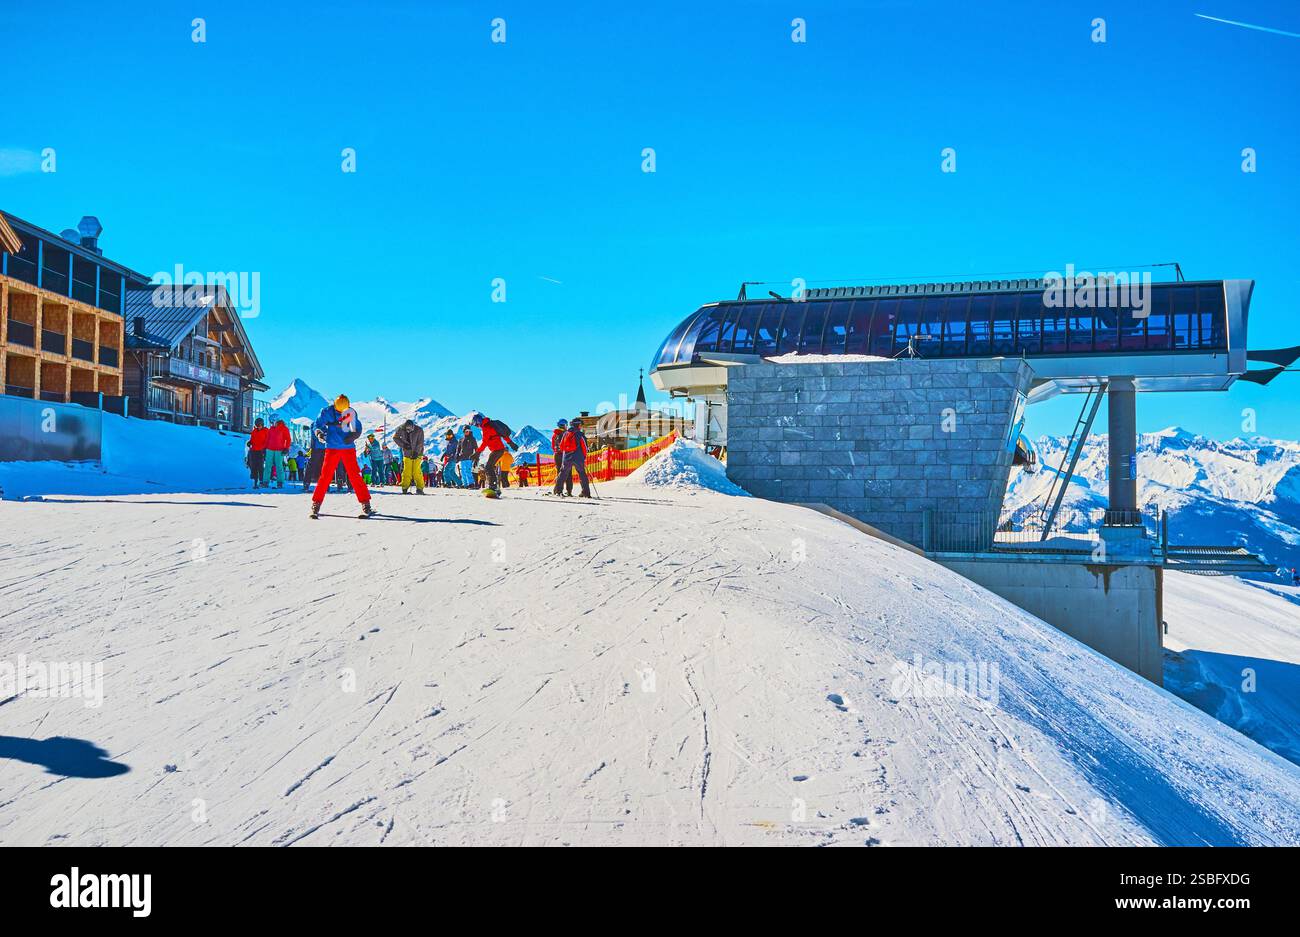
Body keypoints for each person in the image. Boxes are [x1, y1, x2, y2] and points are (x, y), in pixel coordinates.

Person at [310, 395, 373, 518]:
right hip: (332, 447)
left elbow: (358, 428)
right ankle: (316, 503)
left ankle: (366, 503)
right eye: (339, 411)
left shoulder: (351, 412)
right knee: (325, 476)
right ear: (335, 406)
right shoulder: (327, 412)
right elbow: (317, 425)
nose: (340, 413)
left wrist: (353, 436)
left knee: (354, 475)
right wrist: (319, 433)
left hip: (348, 449)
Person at [472, 413, 517, 495]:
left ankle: (493, 487)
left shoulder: (486, 428)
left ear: (478, 422)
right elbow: (503, 435)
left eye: (476, 425)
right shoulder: (490, 425)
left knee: (488, 468)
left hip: (497, 450)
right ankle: (495, 487)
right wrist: (511, 443)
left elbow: (484, 443)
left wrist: (477, 453)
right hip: (497, 450)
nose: (477, 427)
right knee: (490, 467)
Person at [556, 416, 592, 498]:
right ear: (578, 425)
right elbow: (585, 448)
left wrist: (566, 453)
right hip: (578, 458)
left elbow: (561, 446)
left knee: (563, 474)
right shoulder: (580, 434)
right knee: (582, 474)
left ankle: (558, 491)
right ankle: (585, 492)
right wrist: (583, 457)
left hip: (567, 457)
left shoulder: (566, 434)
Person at [392, 418, 426, 494]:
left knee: (416, 471)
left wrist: (416, 452)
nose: (408, 430)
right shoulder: (401, 429)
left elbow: (420, 442)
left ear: (413, 427)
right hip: (407, 453)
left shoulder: (419, 430)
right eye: (407, 429)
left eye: (410, 429)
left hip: (418, 454)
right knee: (407, 471)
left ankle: (420, 488)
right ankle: (404, 487)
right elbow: (395, 438)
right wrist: (403, 445)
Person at [263, 418, 292, 489]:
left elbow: (288, 439)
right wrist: (264, 448)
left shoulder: (284, 428)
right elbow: (267, 439)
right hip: (269, 449)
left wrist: (286, 448)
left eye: (274, 421)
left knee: (279, 466)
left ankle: (280, 482)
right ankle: (265, 482)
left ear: (277, 422)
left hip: (279, 450)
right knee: (267, 466)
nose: (273, 423)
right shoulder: (271, 429)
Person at [551, 419, 572, 496]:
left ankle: (557, 490)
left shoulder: (554, 434)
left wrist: (556, 451)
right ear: (565, 425)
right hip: (565, 454)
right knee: (568, 472)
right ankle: (569, 490)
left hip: (557, 455)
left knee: (559, 473)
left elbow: (553, 446)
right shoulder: (566, 434)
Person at [248, 419, 268, 488]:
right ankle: (255, 481)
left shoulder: (266, 431)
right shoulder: (254, 431)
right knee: (254, 466)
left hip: (261, 451)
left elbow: (267, 441)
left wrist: (265, 449)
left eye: (259, 425)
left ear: (262, 425)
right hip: (253, 451)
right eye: (257, 426)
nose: (258, 427)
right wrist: (250, 442)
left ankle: (261, 481)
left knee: (260, 467)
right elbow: (252, 439)